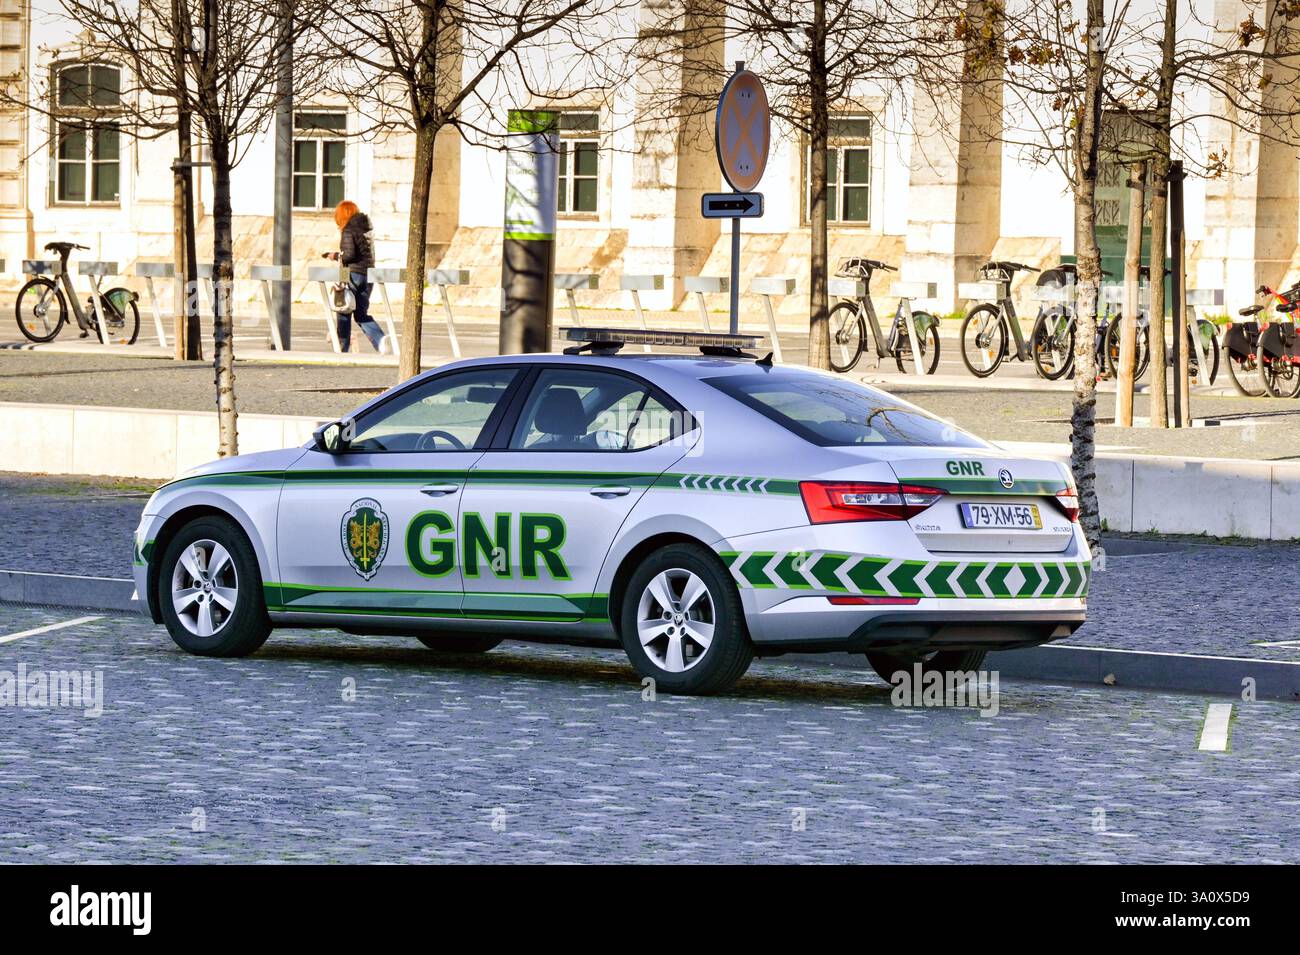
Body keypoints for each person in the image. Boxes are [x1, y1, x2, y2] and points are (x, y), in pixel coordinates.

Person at [326, 200, 386, 353]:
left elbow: (350, 254)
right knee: (361, 314)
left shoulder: (348, 230)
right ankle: (381, 342)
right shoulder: (365, 230)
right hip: (368, 275)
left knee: (344, 311)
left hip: (352, 275)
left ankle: (342, 348)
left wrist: (336, 256)